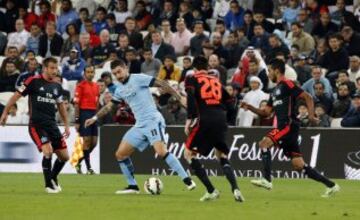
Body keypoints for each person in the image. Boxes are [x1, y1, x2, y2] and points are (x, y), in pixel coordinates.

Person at [84, 59, 196, 194]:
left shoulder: (138, 78)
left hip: (152, 120)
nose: (118, 76)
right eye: (115, 74)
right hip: (140, 125)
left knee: (161, 152)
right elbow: (109, 106)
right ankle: (133, 186)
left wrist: (179, 98)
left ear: (126, 68)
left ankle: (187, 180)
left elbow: (161, 83)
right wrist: (94, 118)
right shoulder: (119, 90)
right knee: (120, 154)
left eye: (119, 71)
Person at [240, 59, 340, 198]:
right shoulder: (274, 91)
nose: (268, 74)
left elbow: (308, 97)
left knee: (264, 143)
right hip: (287, 128)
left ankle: (267, 180)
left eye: (269, 71)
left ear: (276, 70)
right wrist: (249, 107)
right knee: (299, 165)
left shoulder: (287, 84)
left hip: (287, 125)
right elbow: (266, 113)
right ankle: (332, 186)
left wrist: (311, 115)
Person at [0, 57, 70, 194]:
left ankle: (53, 177)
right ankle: (48, 185)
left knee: (65, 157)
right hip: (37, 125)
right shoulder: (33, 81)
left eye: (56, 68)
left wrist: (67, 125)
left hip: (52, 125)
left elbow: (61, 106)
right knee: (48, 151)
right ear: (45, 68)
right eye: (52, 68)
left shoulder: (57, 86)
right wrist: (5, 112)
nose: (54, 71)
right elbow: (16, 96)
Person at [183, 55, 244, 202]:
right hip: (220, 119)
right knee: (222, 155)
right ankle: (235, 189)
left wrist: (189, 119)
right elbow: (231, 103)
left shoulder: (191, 78)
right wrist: (227, 119)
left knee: (188, 154)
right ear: (207, 67)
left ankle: (211, 190)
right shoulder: (216, 80)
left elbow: (191, 98)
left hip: (205, 119)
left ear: (194, 68)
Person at [74, 66, 99, 175]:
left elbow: (97, 102)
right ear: (84, 73)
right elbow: (76, 104)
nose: (90, 74)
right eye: (88, 72)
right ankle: (89, 168)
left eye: (92, 72)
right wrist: (77, 120)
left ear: (94, 73)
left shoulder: (96, 86)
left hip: (93, 114)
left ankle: (78, 161)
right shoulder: (80, 86)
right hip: (84, 113)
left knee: (94, 143)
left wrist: (97, 116)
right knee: (87, 141)